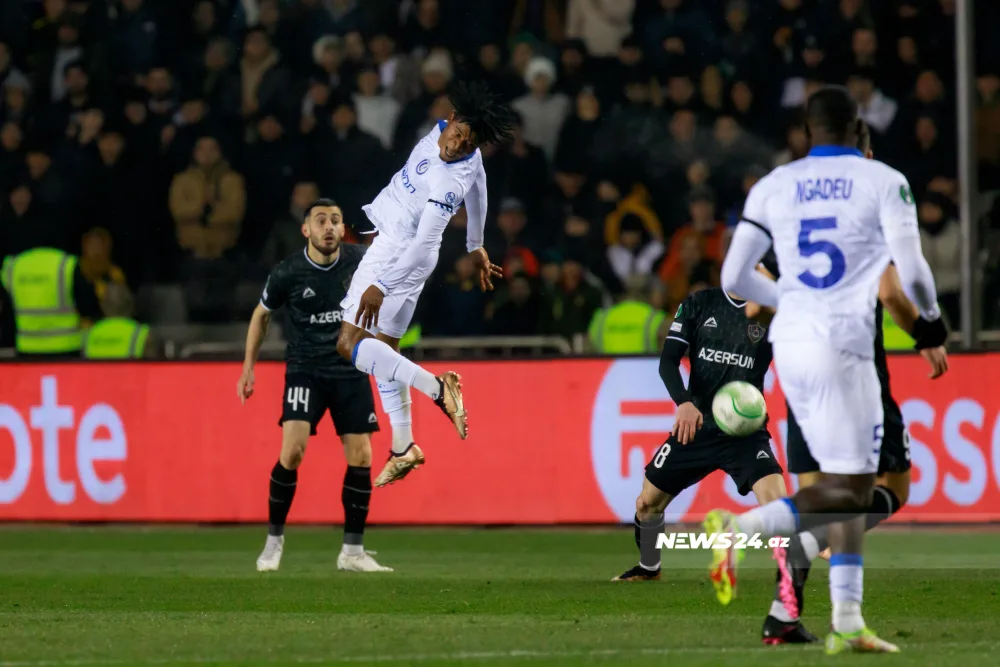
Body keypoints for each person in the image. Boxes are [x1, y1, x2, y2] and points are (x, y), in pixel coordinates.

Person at [713, 86, 948, 654]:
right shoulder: (880, 182)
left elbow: (733, 279)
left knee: (834, 491)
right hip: (846, 347)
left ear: (806, 129)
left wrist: (788, 294)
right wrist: (931, 327)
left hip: (791, 347)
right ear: (857, 127)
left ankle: (812, 616)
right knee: (862, 492)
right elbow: (903, 276)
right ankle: (737, 532)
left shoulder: (774, 186)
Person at [336, 80, 515, 488]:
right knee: (384, 349)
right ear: (449, 121)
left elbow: (422, 247)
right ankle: (404, 447)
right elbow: (482, 185)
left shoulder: (446, 188)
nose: (457, 147)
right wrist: (476, 243)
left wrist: (381, 284)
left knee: (349, 344)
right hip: (401, 249)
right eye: (457, 135)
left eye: (467, 144)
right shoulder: (448, 138)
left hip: (400, 254)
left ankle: (438, 387)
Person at [238, 199, 391, 574]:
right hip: (305, 369)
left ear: (342, 230)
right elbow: (262, 315)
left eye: (335, 221)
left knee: (362, 457)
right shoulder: (288, 273)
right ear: (306, 229)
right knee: (292, 453)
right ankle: (274, 542)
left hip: (350, 367)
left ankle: (352, 552)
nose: (329, 227)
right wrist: (248, 368)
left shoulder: (360, 261)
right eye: (320, 220)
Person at [611, 284, 786, 582]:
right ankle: (649, 568)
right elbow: (668, 361)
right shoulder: (700, 303)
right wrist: (684, 403)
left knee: (778, 506)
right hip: (697, 427)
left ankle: (788, 580)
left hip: (745, 432)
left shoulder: (775, 312)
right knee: (647, 503)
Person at [82, 283, 157, 359]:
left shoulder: (88, 334)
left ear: (103, 306)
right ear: (130, 304)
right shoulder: (142, 335)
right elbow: (153, 368)